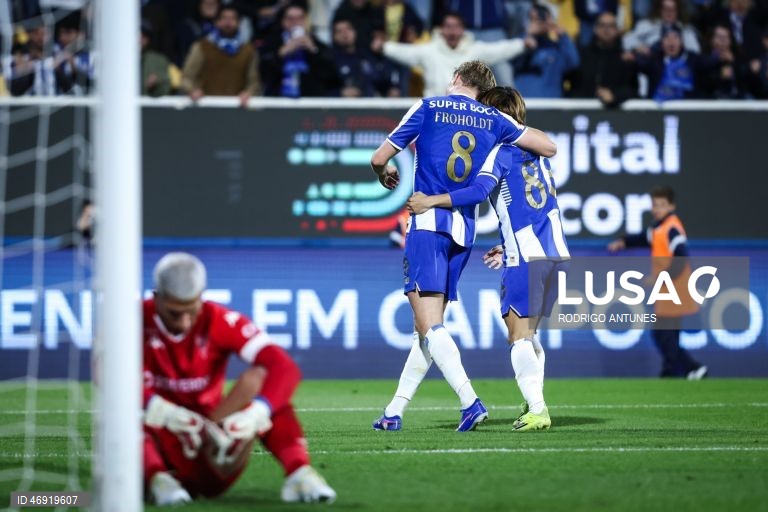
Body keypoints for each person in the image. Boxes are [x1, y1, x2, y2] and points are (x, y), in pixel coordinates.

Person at [369, 60, 556, 432]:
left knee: (430, 325)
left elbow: (379, 158)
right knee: (426, 328)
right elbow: (547, 146)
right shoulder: (494, 119)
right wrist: (508, 124)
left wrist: (383, 172)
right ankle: (394, 411)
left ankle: (470, 402)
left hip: (427, 222)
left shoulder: (428, 107)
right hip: (463, 231)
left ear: (456, 78)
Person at [406, 86, 569, 432]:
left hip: (524, 255)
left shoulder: (500, 152)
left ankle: (538, 408)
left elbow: (478, 192)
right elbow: (529, 207)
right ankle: (534, 400)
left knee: (518, 336)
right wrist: (503, 244)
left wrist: (431, 201)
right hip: (555, 251)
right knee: (530, 334)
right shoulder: (537, 155)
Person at [143, 253, 336, 505]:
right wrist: (160, 410)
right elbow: (104, 371)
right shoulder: (131, 320)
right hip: (158, 439)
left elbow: (284, 367)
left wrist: (257, 413)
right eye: (174, 314)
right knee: (123, 410)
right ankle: (158, 479)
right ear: (156, 297)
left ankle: (300, 473)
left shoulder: (218, 320)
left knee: (263, 383)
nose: (185, 323)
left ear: (201, 297)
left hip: (208, 445)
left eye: (191, 311)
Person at [607, 186, 708, 379]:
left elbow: (681, 257)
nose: (657, 209)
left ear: (671, 206)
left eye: (662, 205)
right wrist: (623, 241)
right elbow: (643, 238)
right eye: (655, 205)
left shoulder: (672, 229)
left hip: (674, 288)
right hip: (668, 289)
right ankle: (670, 371)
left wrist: (661, 278)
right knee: (669, 334)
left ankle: (692, 367)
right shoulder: (658, 228)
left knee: (662, 334)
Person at [376, 11, 533, 97]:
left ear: (463, 29)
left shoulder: (475, 50)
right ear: (441, 29)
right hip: (435, 113)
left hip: (465, 115)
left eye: (456, 27)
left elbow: (500, 49)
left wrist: (522, 44)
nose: (452, 32)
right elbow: (405, 52)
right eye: (448, 27)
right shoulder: (429, 50)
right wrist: (384, 47)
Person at [181, 5, 261, 107]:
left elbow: (254, 81)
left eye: (232, 18)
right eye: (224, 18)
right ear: (216, 22)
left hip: (237, 106)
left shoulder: (248, 50)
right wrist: (192, 90)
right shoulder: (202, 47)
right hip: (204, 105)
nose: (228, 22)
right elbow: (187, 77)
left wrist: (249, 93)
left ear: (239, 23)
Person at [259, 3, 342, 97]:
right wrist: (281, 53)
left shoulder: (318, 45)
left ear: (306, 21)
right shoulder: (272, 44)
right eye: (290, 18)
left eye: (300, 18)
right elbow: (264, 76)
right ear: (283, 21)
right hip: (279, 99)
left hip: (310, 100)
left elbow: (332, 77)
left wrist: (313, 51)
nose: (295, 22)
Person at [511, 4, 580, 98]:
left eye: (541, 18)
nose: (537, 22)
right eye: (532, 19)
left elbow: (573, 63)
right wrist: (527, 36)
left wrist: (563, 36)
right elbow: (513, 63)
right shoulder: (520, 43)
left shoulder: (557, 47)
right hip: (525, 102)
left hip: (550, 103)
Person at [571, 11, 637, 107]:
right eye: (602, 25)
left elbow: (633, 90)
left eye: (611, 26)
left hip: (613, 112)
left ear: (617, 30)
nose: (606, 29)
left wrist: (614, 96)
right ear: (595, 29)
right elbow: (572, 84)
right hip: (582, 110)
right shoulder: (582, 54)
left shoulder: (625, 58)